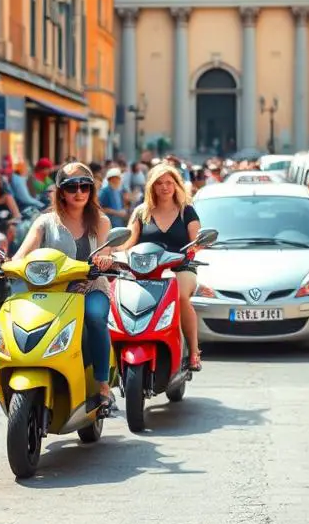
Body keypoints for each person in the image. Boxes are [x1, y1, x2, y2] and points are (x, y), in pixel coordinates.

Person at [13, 162, 117, 410]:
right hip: (52, 294)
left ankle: (103, 385)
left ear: (92, 190)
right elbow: (21, 254)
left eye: (85, 186)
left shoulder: (101, 221)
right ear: (61, 191)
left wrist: (106, 259)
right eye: (72, 187)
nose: (79, 192)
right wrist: (6, 265)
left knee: (93, 316)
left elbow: (107, 249)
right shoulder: (45, 222)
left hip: (92, 289)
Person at [121, 163, 203, 371]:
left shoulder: (187, 212)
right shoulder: (142, 212)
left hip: (181, 267)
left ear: (176, 185)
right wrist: (113, 253)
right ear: (151, 187)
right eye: (159, 183)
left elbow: (197, 241)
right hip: (146, 270)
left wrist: (194, 249)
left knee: (181, 295)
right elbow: (128, 242)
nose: (164, 187)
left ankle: (194, 351)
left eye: (169, 182)